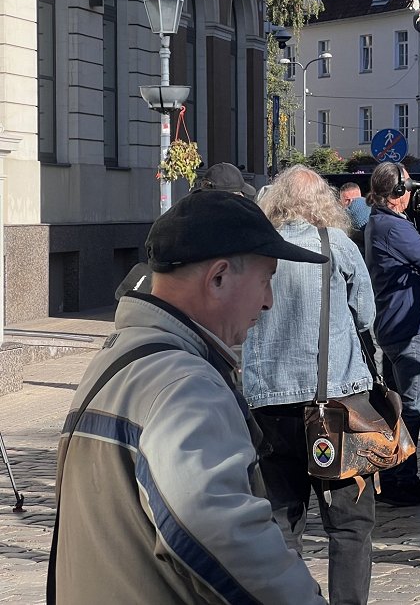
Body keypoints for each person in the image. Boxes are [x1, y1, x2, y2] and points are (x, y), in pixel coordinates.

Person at [51, 190, 329, 603]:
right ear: (218, 278)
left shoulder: (118, 359)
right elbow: (228, 542)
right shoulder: (184, 385)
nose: (269, 301)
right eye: (266, 279)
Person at [242, 166, 377, 605]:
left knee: (281, 523)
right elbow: (366, 316)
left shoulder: (259, 250)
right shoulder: (337, 244)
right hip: (337, 403)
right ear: (324, 202)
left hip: (270, 402)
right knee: (350, 525)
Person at [365, 162, 420, 505]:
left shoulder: (383, 222)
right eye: (408, 189)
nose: (414, 194)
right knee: (413, 407)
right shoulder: (392, 227)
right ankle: (403, 478)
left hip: (395, 323)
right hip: (408, 327)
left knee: (397, 407)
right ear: (397, 194)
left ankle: (392, 476)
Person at [113, 161, 256, 300]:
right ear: (233, 196)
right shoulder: (229, 226)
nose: (244, 199)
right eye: (241, 194)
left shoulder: (176, 215)